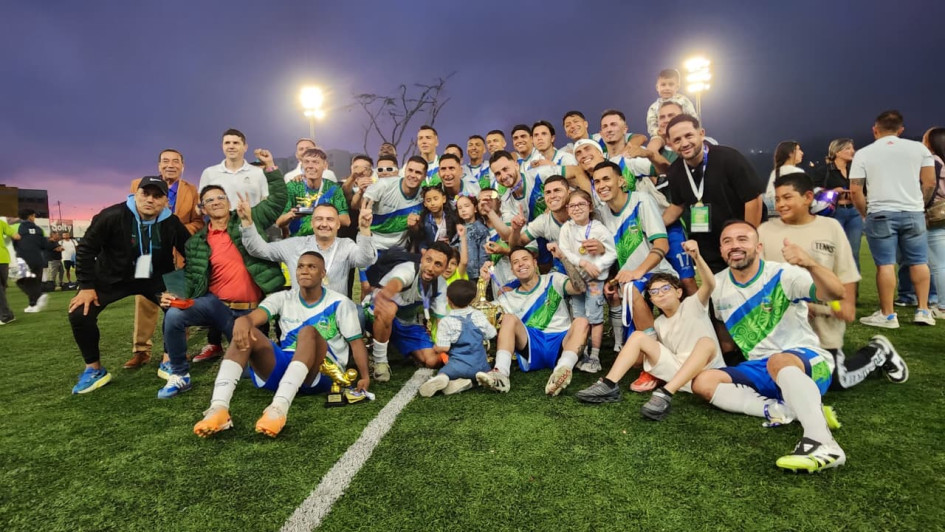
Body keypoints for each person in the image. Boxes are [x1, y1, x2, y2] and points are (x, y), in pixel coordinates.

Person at [691, 220, 846, 473]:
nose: (735, 246)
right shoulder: (717, 286)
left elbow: (835, 293)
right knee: (703, 382)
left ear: (758, 246)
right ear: (721, 250)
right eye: (727, 241)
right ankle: (785, 410)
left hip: (806, 361)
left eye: (743, 239)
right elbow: (726, 338)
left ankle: (823, 442)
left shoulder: (783, 274)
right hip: (760, 367)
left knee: (778, 360)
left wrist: (810, 264)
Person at [193, 252, 368, 438]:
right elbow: (255, 317)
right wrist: (244, 321)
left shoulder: (340, 302)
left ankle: (278, 409)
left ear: (323, 273)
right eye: (300, 266)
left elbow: (356, 343)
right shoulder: (282, 298)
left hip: (319, 371)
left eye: (312, 267)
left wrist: (364, 376)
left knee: (308, 332)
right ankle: (219, 408)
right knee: (247, 330)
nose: (304, 271)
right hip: (286, 367)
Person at [759, 172, 909, 388]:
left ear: (808, 197)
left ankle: (877, 351)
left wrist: (844, 305)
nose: (781, 204)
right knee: (777, 375)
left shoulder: (830, 228)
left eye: (788, 197)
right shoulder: (765, 231)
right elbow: (762, 280)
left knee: (836, 379)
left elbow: (845, 274)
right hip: (783, 327)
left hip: (823, 326)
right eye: (778, 198)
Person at [158, 149, 287, 398]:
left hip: (249, 311)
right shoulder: (196, 242)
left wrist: (270, 167)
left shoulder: (249, 219)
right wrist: (170, 295)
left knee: (263, 374)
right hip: (216, 307)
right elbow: (191, 273)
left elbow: (278, 199)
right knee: (173, 315)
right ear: (203, 209)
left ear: (228, 202)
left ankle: (250, 355)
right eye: (209, 200)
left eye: (220, 198)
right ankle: (179, 374)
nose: (216, 202)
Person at [575, 241, 723, 421]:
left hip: (708, 372)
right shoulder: (659, 323)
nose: (660, 294)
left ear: (678, 292)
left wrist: (697, 257)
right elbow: (654, 352)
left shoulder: (693, 305)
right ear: (651, 300)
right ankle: (609, 384)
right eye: (654, 292)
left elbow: (710, 284)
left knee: (706, 342)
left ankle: (665, 394)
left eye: (665, 289)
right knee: (639, 336)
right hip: (679, 373)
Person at [68, 177, 191, 394]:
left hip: (155, 277)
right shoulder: (112, 216)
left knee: (179, 305)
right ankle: (94, 370)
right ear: (136, 194)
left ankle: (169, 359)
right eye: (146, 194)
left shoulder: (171, 222)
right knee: (80, 312)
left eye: (157, 196)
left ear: (165, 201)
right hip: (113, 276)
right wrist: (86, 287)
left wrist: (182, 282)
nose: (150, 200)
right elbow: (86, 249)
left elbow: (191, 251)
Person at [851, 110, 937, 327]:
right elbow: (930, 183)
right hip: (913, 212)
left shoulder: (864, 153)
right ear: (901, 130)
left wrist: (864, 212)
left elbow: (855, 190)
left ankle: (888, 315)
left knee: (885, 264)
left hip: (880, 213)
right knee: (919, 261)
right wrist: (920, 205)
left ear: (875, 130)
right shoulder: (919, 149)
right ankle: (924, 310)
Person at [126, 149, 204, 369]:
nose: (171, 165)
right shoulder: (139, 185)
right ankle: (141, 350)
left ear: (183, 166)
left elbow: (198, 222)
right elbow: (129, 215)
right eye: (166, 161)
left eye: (176, 161)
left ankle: (177, 351)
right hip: (146, 255)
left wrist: (174, 229)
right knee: (143, 301)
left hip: (177, 256)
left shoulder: (191, 190)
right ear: (159, 165)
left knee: (178, 302)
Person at [475, 247, 589, 396]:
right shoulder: (507, 297)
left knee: (582, 322)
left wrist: (563, 258)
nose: (521, 264)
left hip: (561, 341)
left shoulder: (554, 279)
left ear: (535, 263)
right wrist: (482, 283)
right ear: (512, 270)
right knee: (509, 319)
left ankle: (562, 370)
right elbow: (478, 315)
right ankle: (501, 374)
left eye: (525, 259)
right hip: (531, 344)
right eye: (515, 262)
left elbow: (580, 288)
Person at [663, 114, 765, 272]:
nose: (684, 143)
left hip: (738, 243)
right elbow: (677, 205)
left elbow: (753, 199)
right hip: (708, 248)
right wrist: (652, 225)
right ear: (670, 144)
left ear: (701, 133)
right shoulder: (675, 171)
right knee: (717, 294)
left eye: (689, 135)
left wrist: (748, 238)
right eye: (677, 140)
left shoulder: (729, 158)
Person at [241, 203, 376, 292]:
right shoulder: (295, 245)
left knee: (357, 313)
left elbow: (365, 260)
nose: (324, 224)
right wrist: (247, 222)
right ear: (312, 223)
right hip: (301, 315)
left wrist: (364, 229)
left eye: (330, 219)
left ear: (338, 225)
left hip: (335, 314)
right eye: (319, 219)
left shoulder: (346, 245)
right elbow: (258, 249)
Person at [552, 189, 617, 373]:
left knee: (595, 317)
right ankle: (583, 352)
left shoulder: (598, 228)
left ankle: (595, 356)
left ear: (590, 207)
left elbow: (612, 252)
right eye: (572, 205)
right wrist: (583, 263)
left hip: (595, 282)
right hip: (577, 282)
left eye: (581, 204)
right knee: (579, 317)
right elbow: (565, 251)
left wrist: (598, 267)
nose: (576, 208)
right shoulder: (567, 228)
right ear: (567, 209)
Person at [368, 242, 452, 380]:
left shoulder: (441, 285)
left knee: (431, 361)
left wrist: (444, 343)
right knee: (389, 309)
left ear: (445, 268)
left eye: (438, 264)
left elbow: (441, 319)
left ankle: (404, 349)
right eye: (428, 260)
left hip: (407, 323)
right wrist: (387, 292)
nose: (430, 268)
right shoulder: (408, 269)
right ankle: (380, 362)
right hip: (374, 312)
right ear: (422, 257)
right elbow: (397, 281)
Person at [419, 280, 497, 397]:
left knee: (444, 372)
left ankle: (442, 379)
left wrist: (435, 348)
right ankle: (474, 381)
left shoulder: (447, 321)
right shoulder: (478, 315)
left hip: (456, 367)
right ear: (472, 300)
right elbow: (491, 334)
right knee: (481, 373)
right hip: (480, 365)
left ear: (448, 299)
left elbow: (444, 347)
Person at [355, 156, 425, 251]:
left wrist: (415, 227)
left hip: (399, 251)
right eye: (410, 170)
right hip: (373, 247)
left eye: (418, 172)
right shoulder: (383, 185)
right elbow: (360, 205)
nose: (412, 175)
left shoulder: (423, 197)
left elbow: (418, 234)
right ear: (404, 171)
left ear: (424, 176)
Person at [814, 138, 862, 273]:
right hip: (834, 213)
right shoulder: (824, 170)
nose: (852, 151)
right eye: (847, 148)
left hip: (854, 213)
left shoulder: (856, 169)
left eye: (852, 148)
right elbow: (812, 191)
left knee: (853, 253)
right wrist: (832, 192)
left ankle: (852, 292)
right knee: (831, 252)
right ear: (837, 152)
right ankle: (832, 287)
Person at [280, 147, 350, 237]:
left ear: (325, 166)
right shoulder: (292, 187)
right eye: (306, 162)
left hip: (326, 240)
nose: (310, 166)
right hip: (299, 242)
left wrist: (313, 212)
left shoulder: (333, 188)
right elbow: (279, 222)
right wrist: (291, 215)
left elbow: (346, 220)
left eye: (315, 162)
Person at [198, 128, 269, 207]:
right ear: (222, 146)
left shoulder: (258, 172)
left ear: (245, 147)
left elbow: (265, 201)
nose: (231, 146)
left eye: (236, 143)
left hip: (250, 219)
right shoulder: (209, 173)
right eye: (227, 143)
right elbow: (201, 203)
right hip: (221, 219)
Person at [922, 127, 945, 319]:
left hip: (938, 214)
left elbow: (930, 186)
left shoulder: (934, 161)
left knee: (938, 264)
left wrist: (922, 205)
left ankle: (943, 306)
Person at [14, 209, 56, 313]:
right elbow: (44, 245)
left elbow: (13, 244)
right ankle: (33, 305)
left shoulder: (15, 227)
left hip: (23, 260)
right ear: (30, 217)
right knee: (34, 283)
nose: (34, 218)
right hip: (38, 259)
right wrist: (53, 243)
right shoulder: (39, 229)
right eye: (34, 216)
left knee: (20, 281)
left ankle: (39, 296)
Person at [645, 68, 698, 138]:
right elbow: (651, 124)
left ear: (677, 87)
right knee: (655, 142)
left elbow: (693, 117)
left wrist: (691, 129)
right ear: (657, 87)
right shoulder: (654, 107)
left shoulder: (683, 101)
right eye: (663, 85)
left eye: (671, 84)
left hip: (682, 132)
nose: (667, 88)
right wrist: (657, 132)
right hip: (662, 135)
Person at [764, 141, 806, 213]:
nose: (802, 153)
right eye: (798, 149)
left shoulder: (774, 172)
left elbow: (769, 197)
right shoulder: (797, 172)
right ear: (790, 154)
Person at [455, 195, 488, 281]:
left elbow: (483, 255)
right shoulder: (460, 229)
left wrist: (482, 274)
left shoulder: (481, 229)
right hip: (460, 273)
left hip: (475, 276)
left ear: (475, 208)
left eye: (466, 206)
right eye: (460, 208)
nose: (463, 210)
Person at [0, 216, 22, 325]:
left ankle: (6, 315)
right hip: (3, 257)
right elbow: (16, 236)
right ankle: (6, 314)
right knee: (2, 288)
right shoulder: (1, 223)